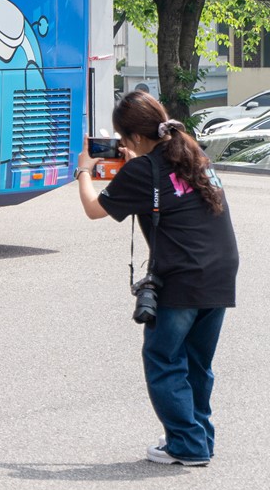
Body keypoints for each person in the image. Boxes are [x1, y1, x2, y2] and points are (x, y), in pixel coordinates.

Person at [74, 91, 239, 466]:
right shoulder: (192, 153)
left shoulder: (141, 171)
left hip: (183, 277)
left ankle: (186, 444)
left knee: (163, 359)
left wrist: (84, 169)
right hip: (221, 272)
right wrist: (138, 164)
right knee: (197, 362)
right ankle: (199, 438)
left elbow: (93, 209)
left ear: (132, 138)